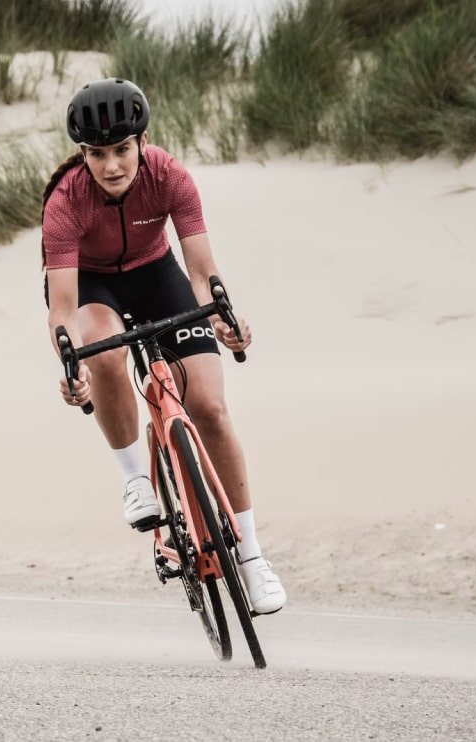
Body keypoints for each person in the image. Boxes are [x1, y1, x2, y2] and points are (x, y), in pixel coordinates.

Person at [41, 78, 286, 614]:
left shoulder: (170, 177)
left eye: (121, 149)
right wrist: (72, 366)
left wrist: (223, 320)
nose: (111, 166)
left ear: (143, 141)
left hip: (157, 274)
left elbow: (201, 272)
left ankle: (252, 557)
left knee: (210, 408)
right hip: (93, 286)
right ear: (82, 154)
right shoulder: (65, 201)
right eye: (97, 154)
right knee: (104, 351)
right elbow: (63, 308)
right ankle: (136, 479)